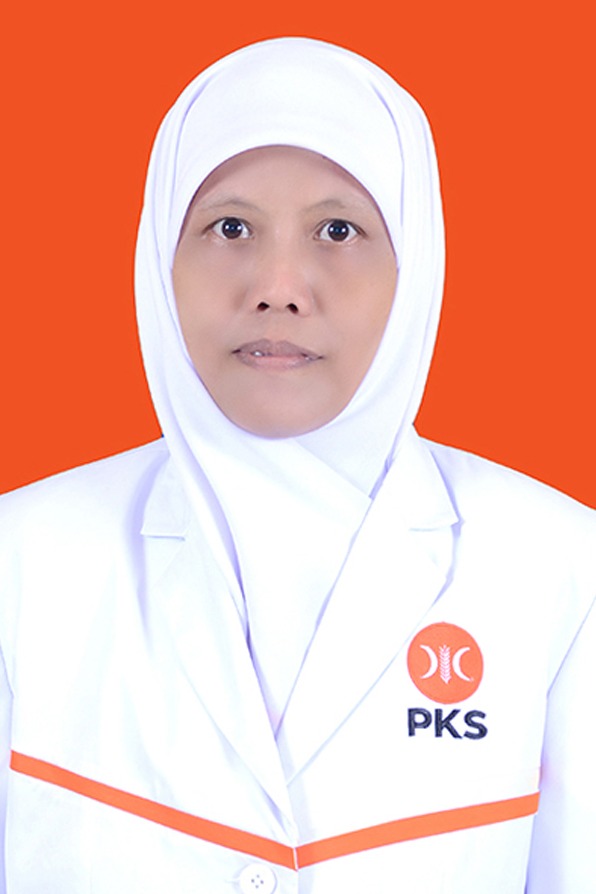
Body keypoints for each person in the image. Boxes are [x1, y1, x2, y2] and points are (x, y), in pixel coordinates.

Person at [0, 37, 594, 894]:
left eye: (338, 230)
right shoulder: (21, 563)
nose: (278, 287)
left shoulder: (562, 571)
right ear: (160, 255)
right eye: (230, 227)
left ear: (415, 263)